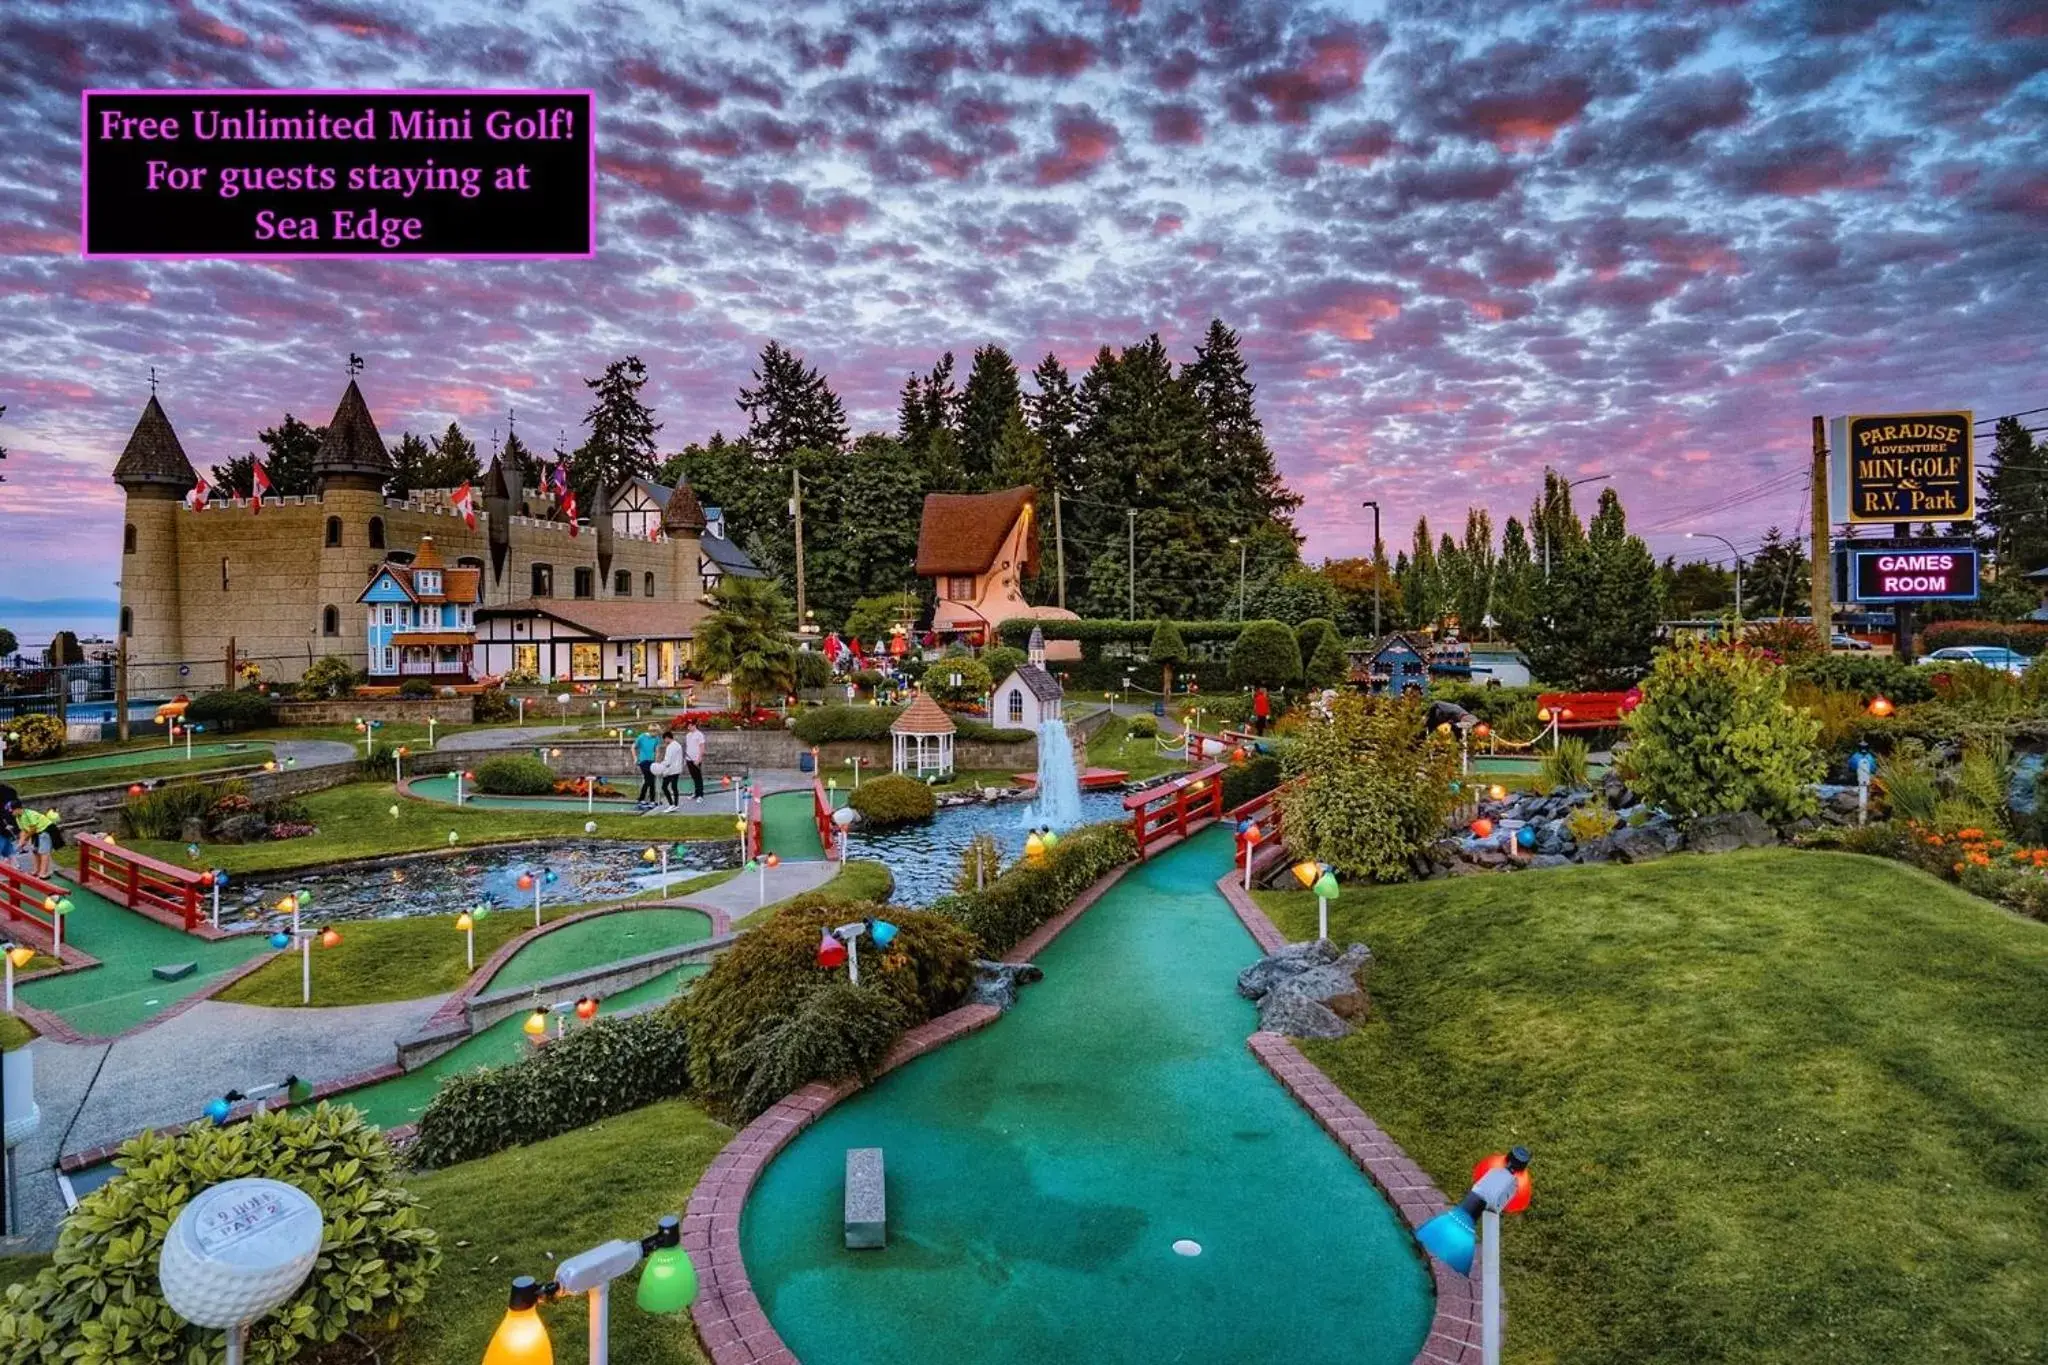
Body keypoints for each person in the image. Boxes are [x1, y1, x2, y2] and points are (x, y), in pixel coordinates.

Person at [17, 804, 59, 879]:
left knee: (43, 852)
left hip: (46, 830)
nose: (10, 813)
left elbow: (33, 829)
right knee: (34, 850)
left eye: (11, 811)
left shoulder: (29, 814)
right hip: (36, 832)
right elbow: (23, 830)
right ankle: (36, 871)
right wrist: (21, 841)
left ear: (17, 809)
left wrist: (25, 839)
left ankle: (43, 874)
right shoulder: (18, 817)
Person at [633, 726, 660, 808]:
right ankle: (641, 799)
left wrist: (656, 762)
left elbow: (657, 750)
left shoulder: (657, 738)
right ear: (652, 731)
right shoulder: (641, 737)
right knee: (649, 780)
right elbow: (633, 747)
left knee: (652, 781)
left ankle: (651, 800)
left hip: (652, 762)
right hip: (643, 761)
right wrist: (635, 758)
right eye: (656, 732)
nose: (657, 734)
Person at [659, 728, 685, 810]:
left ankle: (671, 804)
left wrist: (660, 766)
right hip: (677, 769)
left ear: (667, 738)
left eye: (664, 739)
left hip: (671, 770)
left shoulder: (670, 747)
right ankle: (676, 804)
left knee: (664, 787)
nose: (664, 741)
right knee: (674, 787)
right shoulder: (678, 745)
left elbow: (668, 761)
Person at [684, 719, 707, 802]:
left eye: (690, 725)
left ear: (694, 725)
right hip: (689, 759)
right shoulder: (688, 735)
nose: (688, 727)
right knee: (693, 777)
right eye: (688, 725)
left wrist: (699, 758)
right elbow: (688, 746)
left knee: (698, 777)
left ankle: (700, 795)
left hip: (696, 759)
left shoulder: (699, 735)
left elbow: (702, 747)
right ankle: (696, 793)